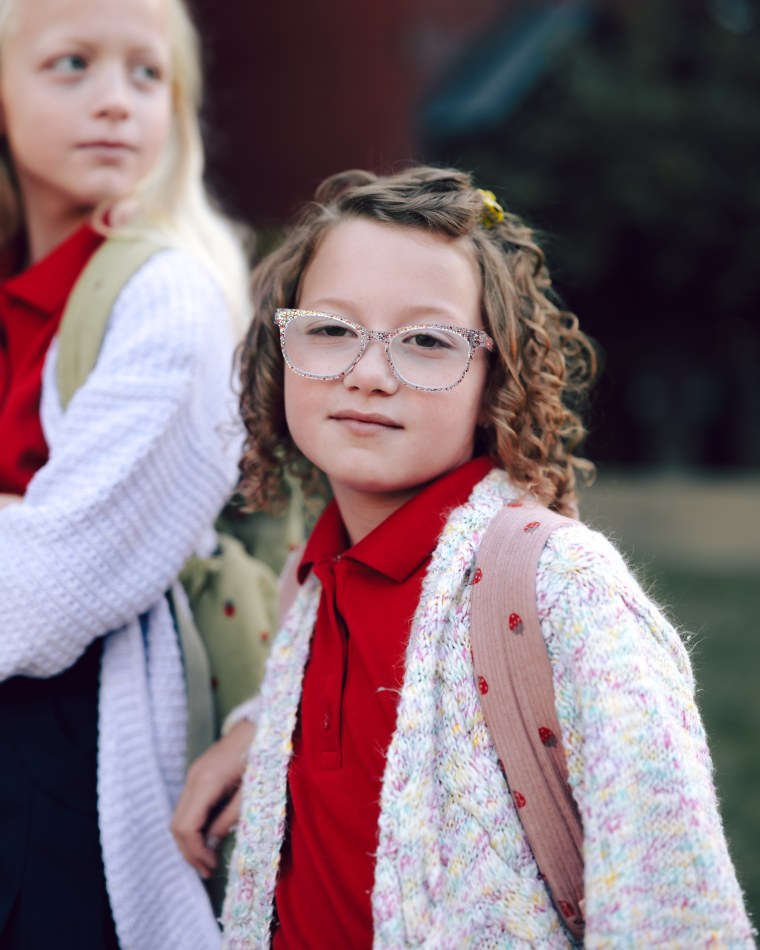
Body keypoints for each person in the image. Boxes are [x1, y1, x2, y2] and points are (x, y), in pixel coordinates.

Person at [171, 166, 755, 948]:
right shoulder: (309, 584)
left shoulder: (562, 591)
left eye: (427, 341)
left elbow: (677, 917)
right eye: (332, 329)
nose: (370, 374)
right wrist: (262, 730)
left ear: (495, 379)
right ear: (283, 350)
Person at [0, 0, 250, 947]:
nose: (115, 102)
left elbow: (46, 587)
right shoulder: (15, 291)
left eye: (147, 74)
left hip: (73, 760)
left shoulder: (168, 299)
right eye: (71, 64)